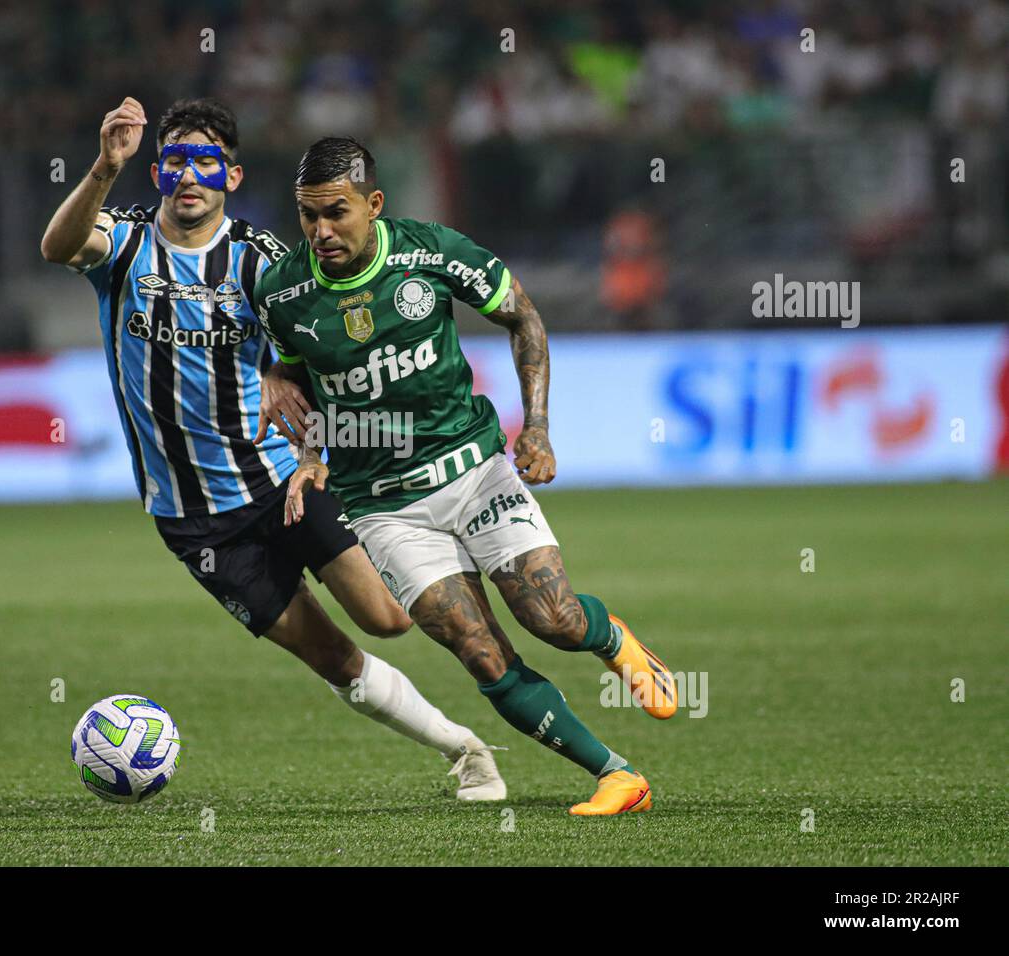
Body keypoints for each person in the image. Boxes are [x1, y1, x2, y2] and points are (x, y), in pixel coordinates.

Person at [40, 99, 506, 800]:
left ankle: (473, 557)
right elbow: (57, 247)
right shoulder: (125, 243)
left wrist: (315, 436)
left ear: (231, 173)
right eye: (173, 162)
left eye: (205, 162)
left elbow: (318, 353)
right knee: (333, 658)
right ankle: (465, 751)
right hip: (197, 522)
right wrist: (107, 167)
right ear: (159, 172)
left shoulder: (265, 263)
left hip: (282, 480)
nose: (188, 176)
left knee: (390, 617)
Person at [255, 136, 678, 816]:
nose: (320, 231)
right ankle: (617, 776)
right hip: (382, 507)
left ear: (374, 203)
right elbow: (301, 369)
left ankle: (610, 639)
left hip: (473, 469)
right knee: (479, 653)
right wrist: (296, 417)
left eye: (336, 212)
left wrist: (536, 426)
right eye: (307, 216)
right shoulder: (282, 292)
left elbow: (523, 316)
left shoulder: (433, 251)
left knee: (553, 618)